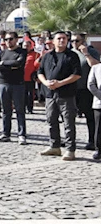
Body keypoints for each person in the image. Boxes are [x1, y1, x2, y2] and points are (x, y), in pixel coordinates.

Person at [37, 31, 82, 161]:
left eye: (64, 38)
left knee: (68, 123)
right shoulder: (47, 56)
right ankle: (54, 146)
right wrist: (46, 83)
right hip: (50, 94)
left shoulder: (72, 56)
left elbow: (77, 74)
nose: (62, 41)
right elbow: (40, 72)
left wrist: (60, 83)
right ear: (53, 41)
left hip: (66, 94)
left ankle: (70, 149)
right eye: (59, 38)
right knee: (51, 120)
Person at [0, 31, 28, 144]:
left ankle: (21, 134)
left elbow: (19, 64)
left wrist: (4, 65)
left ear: (16, 39)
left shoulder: (22, 51)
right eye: (6, 39)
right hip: (3, 84)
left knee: (19, 110)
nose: (8, 41)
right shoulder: (2, 53)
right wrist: (9, 66)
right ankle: (6, 133)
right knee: (6, 110)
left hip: (17, 84)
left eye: (11, 39)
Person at [71, 33, 100, 149]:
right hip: (71, 89)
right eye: (72, 41)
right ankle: (70, 140)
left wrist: (86, 54)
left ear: (83, 41)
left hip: (85, 89)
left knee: (90, 116)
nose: (74, 43)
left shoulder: (91, 51)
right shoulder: (71, 53)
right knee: (69, 117)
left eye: (77, 41)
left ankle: (92, 140)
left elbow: (97, 67)